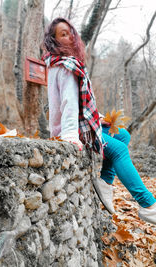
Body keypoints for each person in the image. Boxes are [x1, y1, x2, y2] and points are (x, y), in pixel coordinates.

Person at [42, 17, 156, 225]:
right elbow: (66, 102)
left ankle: (105, 181)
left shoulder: (63, 64)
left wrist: (97, 117)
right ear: (53, 40)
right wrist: (69, 136)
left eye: (70, 33)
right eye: (62, 34)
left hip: (80, 124)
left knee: (122, 134)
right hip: (73, 131)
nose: (69, 37)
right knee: (119, 150)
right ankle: (148, 205)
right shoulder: (65, 66)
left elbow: (78, 103)